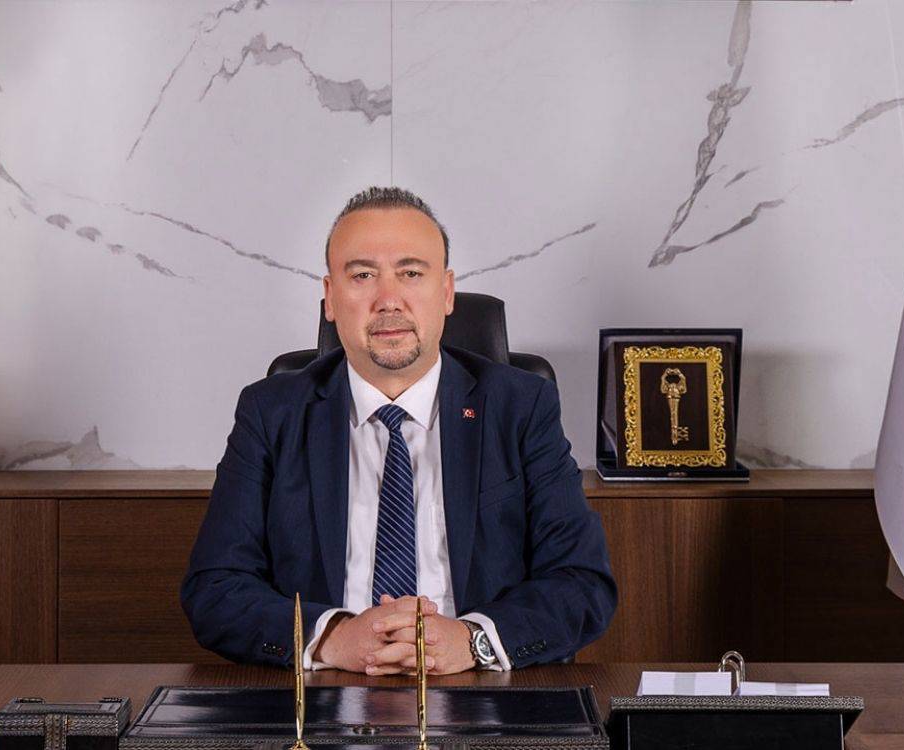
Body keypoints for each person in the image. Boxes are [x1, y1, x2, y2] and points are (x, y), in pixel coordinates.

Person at [181, 187, 616, 674]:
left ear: (446, 293)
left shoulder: (520, 406)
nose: (389, 300)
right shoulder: (271, 411)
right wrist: (332, 638)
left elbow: (582, 582)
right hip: (326, 690)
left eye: (411, 273)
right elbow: (215, 587)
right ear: (330, 298)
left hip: (480, 689)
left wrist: (470, 641)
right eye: (362, 275)